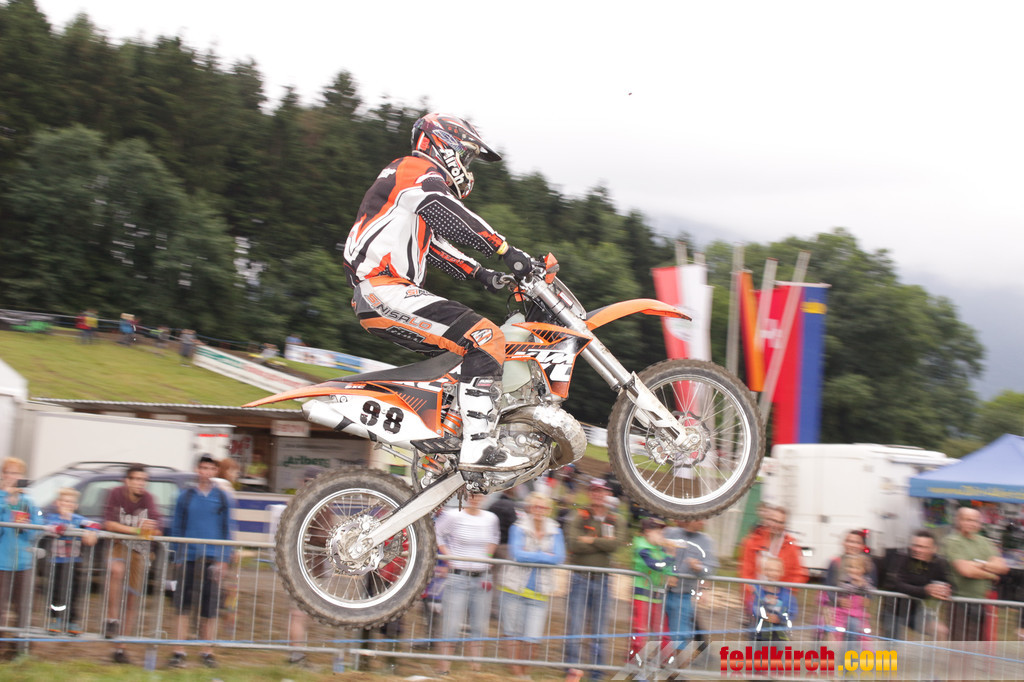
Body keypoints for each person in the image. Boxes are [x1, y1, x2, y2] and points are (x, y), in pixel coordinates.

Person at [340, 112, 537, 471]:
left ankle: (443, 450)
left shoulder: (409, 187)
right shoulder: (414, 169)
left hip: (385, 291)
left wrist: (483, 274)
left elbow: (434, 247)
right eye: (467, 156)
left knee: (464, 359)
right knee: (485, 337)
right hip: (384, 290)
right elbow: (451, 215)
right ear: (445, 145)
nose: (468, 166)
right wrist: (506, 250)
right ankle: (478, 446)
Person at [167, 455, 236, 669]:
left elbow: (227, 529)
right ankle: (179, 651)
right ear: (197, 470)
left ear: (215, 471)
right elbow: (177, 527)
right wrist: (177, 556)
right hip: (188, 556)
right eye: (203, 468)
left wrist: (224, 559)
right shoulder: (185, 496)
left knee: (210, 607)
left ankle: (207, 652)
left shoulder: (223, 498)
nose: (206, 472)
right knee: (182, 606)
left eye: (210, 468)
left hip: (213, 558)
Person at [564, 478, 627, 682]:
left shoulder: (616, 518)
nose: (598, 495)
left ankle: (597, 672)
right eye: (594, 491)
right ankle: (572, 669)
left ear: (608, 494)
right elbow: (573, 544)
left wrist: (590, 539)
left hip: (603, 580)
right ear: (589, 493)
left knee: (600, 628)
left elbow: (616, 544)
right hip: (580, 578)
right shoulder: (579, 515)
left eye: (602, 491)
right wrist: (602, 542)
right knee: (575, 625)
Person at [500, 492, 565, 677]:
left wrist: (531, 555)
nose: (539, 510)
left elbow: (559, 557)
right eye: (536, 506)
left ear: (549, 510)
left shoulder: (555, 530)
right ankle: (517, 674)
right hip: (514, 588)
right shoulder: (518, 527)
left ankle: (525, 673)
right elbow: (517, 555)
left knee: (533, 637)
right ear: (529, 508)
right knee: (512, 633)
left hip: (539, 591)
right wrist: (544, 556)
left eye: (543, 507)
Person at [103, 464, 163, 664]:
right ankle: (112, 619)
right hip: (119, 544)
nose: (140, 483)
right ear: (127, 481)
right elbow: (109, 523)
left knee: (131, 600)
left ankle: (121, 648)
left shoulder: (149, 499)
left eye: (143, 480)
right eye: (136, 479)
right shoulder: (116, 494)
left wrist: (150, 529)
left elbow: (158, 529)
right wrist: (137, 530)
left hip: (140, 551)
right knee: (116, 570)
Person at [435, 492, 499, 676]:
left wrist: (487, 558)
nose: (475, 498)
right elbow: (437, 533)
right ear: (465, 496)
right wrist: (448, 556)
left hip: (482, 578)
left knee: (479, 625)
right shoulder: (453, 515)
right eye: (472, 495)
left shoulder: (491, 518)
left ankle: (476, 670)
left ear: (484, 497)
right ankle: (444, 669)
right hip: (458, 576)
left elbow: (494, 539)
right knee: (451, 625)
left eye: (479, 495)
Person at [942, 506, 1009, 641]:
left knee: (978, 645)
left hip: (982, 603)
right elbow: (966, 571)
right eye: (967, 520)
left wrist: (978, 564)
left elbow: (1003, 567)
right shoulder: (953, 541)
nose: (972, 523)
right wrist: (991, 574)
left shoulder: (985, 542)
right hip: (960, 602)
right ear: (959, 521)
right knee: (958, 644)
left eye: (975, 520)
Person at [0, 457, 43, 660]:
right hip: (2, 561)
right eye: (8, 472)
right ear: (3, 475)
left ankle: (19, 647)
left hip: (23, 561)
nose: (12, 476)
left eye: (16, 473)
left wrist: (28, 527)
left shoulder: (29, 502)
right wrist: (5, 500)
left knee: (23, 607)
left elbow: (38, 525)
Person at [43, 487, 100, 634]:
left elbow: (94, 524)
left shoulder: (77, 519)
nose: (67, 505)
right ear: (57, 503)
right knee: (56, 591)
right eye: (64, 501)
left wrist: (91, 532)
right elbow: (52, 528)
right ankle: (55, 619)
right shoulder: (53, 518)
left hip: (74, 561)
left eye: (70, 502)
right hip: (57, 561)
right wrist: (66, 525)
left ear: (75, 505)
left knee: (73, 591)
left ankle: (71, 620)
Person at [739, 504, 808, 619]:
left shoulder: (791, 545)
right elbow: (746, 571)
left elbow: (799, 573)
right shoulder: (752, 541)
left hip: (780, 601)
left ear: (785, 525)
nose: (776, 525)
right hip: (756, 599)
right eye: (773, 520)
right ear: (767, 520)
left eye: (780, 522)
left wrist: (787, 594)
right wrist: (750, 592)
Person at [881, 529, 952, 641]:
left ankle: (938, 653)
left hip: (915, 611)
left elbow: (948, 583)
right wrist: (925, 590)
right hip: (893, 610)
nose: (917, 550)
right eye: (915, 546)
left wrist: (945, 590)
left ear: (934, 549)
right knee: (892, 647)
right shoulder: (903, 558)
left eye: (923, 547)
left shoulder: (938, 563)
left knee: (941, 631)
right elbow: (896, 584)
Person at [627, 517, 676, 671]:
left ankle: (666, 664)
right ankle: (634, 664)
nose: (662, 535)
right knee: (640, 632)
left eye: (663, 532)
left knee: (663, 631)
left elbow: (667, 568)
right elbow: (656, 565)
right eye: (658, 532)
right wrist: (671, 556)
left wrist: (671, 573)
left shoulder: (659, 549)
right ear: (648, 532)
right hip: (642, 596)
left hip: (657, 597)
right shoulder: (641, 547)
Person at [663, 517, 717, 657]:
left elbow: (710, 570)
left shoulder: (705, 541)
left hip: (683, 595)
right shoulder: (670, 533)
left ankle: (677, 665)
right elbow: (656, 554)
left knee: (680, 634)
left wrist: (699, 568)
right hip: (660, 592)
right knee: (661, 630)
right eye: (700, 518)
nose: (703, 522)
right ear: (690, 517)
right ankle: (663, 662)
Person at [822, 530, 877, 642]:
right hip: (836, 610)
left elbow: (872, 586)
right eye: (849, 541)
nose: (852, 545)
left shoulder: (869, 565)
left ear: (862, 546)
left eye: (856, 542)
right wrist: (838, 600)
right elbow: (828, 587)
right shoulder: (835, 563)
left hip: (858, 612)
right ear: (844, 543)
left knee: (857, 631)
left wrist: (867, 598)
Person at [751, 556, 797, 642]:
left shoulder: (787, 595)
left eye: (776, 570)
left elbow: (792, 612)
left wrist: (780, 618)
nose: (773, 573)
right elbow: (754, 607)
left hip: (778, 635)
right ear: (764, 571)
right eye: (769, 570)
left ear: (782, 572)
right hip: (759, 635)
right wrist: (764, 614)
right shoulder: (758, 591)